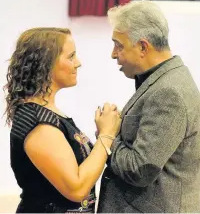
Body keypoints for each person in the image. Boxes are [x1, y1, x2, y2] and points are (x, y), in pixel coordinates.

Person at [97, 0, 200, 213]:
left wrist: (107, 136)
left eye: (119, 45)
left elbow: (140, 169)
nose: (113, 54)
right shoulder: (165, 79)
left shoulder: (168, 92)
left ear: (143, 46)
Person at [3, 27, 121, 213]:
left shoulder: (47, 115)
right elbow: (76, 189)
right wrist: (106, 135)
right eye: (71, 56)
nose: (78, 63)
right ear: (46, 63)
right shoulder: (39, 123)